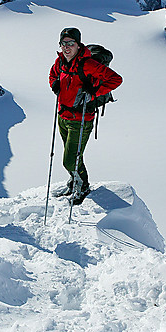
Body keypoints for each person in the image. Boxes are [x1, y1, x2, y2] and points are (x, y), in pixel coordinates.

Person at [49, 27, 122, 204]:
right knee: (74, 155)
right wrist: (55, 84)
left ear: (78, 44)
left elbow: (116, 79)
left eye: (71, 43)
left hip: (81, 120)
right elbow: (52, 74)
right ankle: (75, 182)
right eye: (64, 43)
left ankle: (83, 187)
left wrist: (94, 93)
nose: (67, 47)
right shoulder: (60, 62)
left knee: (69, 160)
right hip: (63, 116)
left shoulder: (88, 64)